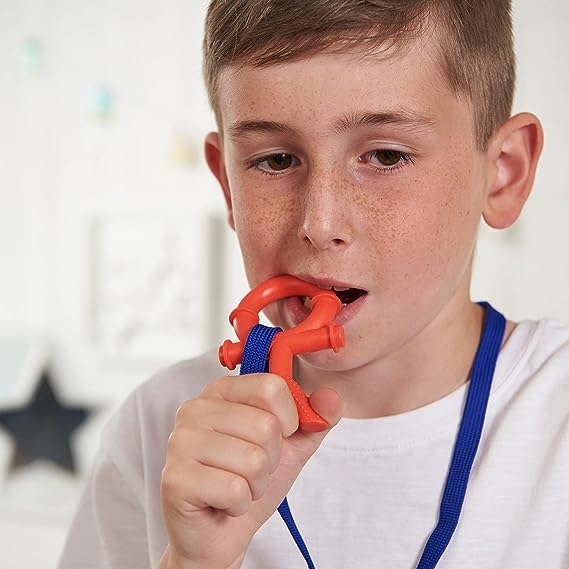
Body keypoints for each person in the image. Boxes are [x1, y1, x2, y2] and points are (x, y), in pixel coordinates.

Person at [58, 1, 569, 568]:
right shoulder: (156, 427)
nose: (319, 224)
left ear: (504, 172)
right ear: (227, 183)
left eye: (385, 155)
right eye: (275, 161)